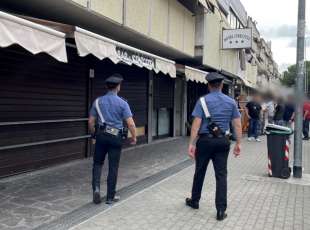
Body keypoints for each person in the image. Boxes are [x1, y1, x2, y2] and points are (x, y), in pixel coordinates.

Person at [185, 72, 242, 221]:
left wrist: (191, 143)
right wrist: (239, 144)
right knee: (221, 175)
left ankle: (195, 201)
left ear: (209, 85)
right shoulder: (230, 102)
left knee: (200, 172)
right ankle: (221, 210)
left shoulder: (202, 101)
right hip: (223, 141)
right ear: (222, 85)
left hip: (204, 142)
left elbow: (196, 125)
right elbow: (237, 124)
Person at [88, 74, 137, 204]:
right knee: (113, 167)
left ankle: (96, 189)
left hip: (101, 136)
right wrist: (134, 137)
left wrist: (94, 135)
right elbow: (131, 123)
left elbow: (91, 122)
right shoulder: (123, 103)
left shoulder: (97, 102)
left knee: (97, 164)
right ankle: (110, 197)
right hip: (116, 137)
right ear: (118, 87)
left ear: (107, 87)